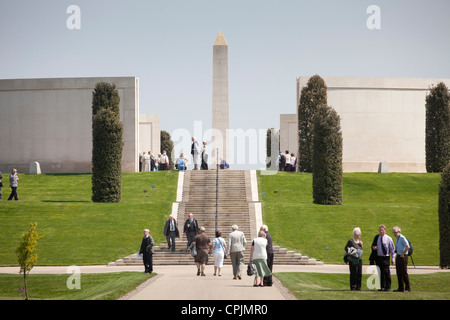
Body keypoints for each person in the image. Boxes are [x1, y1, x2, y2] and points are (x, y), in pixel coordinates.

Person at [371, 224, 395, 291]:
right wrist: (374, 247)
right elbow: (372, 246)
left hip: (386, 257)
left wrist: (393, 258)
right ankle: (382, 286)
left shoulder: (388, 238)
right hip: (379, 257)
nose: (381, 231)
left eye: (382, 230)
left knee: (386, 272)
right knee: (380, 272)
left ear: (385, 231)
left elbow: (392, 249)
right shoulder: (377, 237)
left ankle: (388, 286)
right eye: (380, 230)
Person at [393, 226, 411, 292]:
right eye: (393, 232)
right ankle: (400, 288)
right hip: (398, 256)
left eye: (395, 232)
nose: (394, 234)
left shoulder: (402, 238)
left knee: (404, 272)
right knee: (399, 272)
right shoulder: (397, 238)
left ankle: (408, 288)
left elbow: (407, 246)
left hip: (403, 257)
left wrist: (403, 253)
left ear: (399, 232)